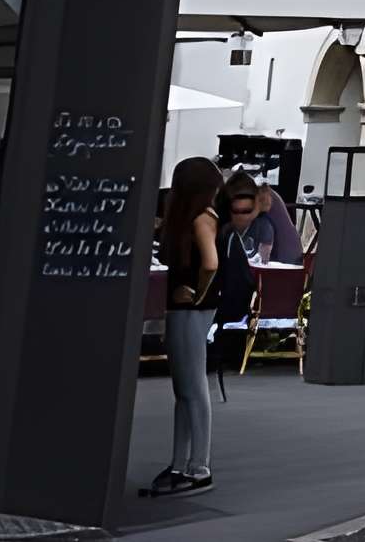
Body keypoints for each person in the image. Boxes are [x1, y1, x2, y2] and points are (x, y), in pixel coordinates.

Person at [149, 156, 223, 496]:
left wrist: (197, 294)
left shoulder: (199, 218)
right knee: (185, 388)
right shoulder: (197, 217)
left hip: (192, 307)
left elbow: (210, 263)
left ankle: (198, 466)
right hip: (186, 307)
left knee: (191, 386)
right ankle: (182, 463)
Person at [222, 173, 301, 262]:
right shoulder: (261, 197)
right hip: (290, 253)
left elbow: (264, 250)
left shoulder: (263, 218)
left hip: (284, 261)